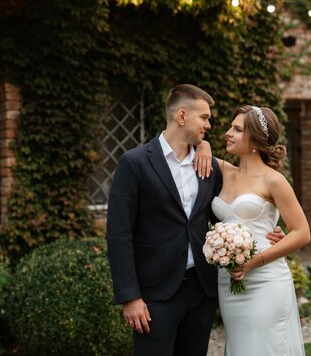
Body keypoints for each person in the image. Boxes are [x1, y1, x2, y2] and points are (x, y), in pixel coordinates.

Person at [106, 84, 283, 356]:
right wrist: (130, 297)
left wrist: (270, 230)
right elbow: (119, 234)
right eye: (204, 117)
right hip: (155, 295)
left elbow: (232, 208)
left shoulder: (210, 166)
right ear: (181, 116)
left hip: (201, 292)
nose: (210, 125)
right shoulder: (135, 163)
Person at [212, 105, 310, 356]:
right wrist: (202, 146)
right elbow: (197, 150)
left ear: (255, 139)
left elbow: (302, 232)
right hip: (229, 279)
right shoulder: (224, 171)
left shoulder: (273, 180)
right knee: (239, 347)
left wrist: (254, 262)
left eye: (236, 129)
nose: (227, 133)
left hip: (265, 280)